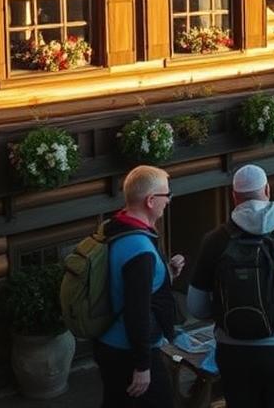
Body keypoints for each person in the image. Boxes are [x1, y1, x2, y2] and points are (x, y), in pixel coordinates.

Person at [187, 165, 274, 408]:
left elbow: (196, 307)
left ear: (234, 196)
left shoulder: (214, 240)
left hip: (233, 350)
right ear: (267, 190)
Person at [94, 165, 184, 408]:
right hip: (129, 353)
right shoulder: (140, 249)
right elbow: (137, 311)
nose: (169, 200)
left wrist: (167, 274)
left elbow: (127, 286)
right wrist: (143, 366)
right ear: (151, 201)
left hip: (109, 343)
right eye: (167, 195)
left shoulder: (116, 228)